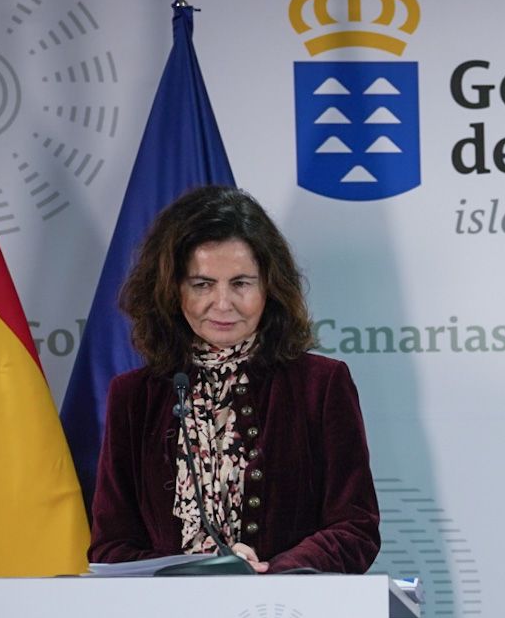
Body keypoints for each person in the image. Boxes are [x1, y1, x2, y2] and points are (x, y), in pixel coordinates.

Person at [89, 185, 380, 573]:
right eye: (202, 284)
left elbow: (355, 528)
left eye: (241, 283)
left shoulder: (321, 384)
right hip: (167, 608)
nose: (223, 304)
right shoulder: (133, 397)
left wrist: (266, 573)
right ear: (172, 290)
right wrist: (199, 572)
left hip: (287, 606)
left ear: (270, 287)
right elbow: (111, 547)